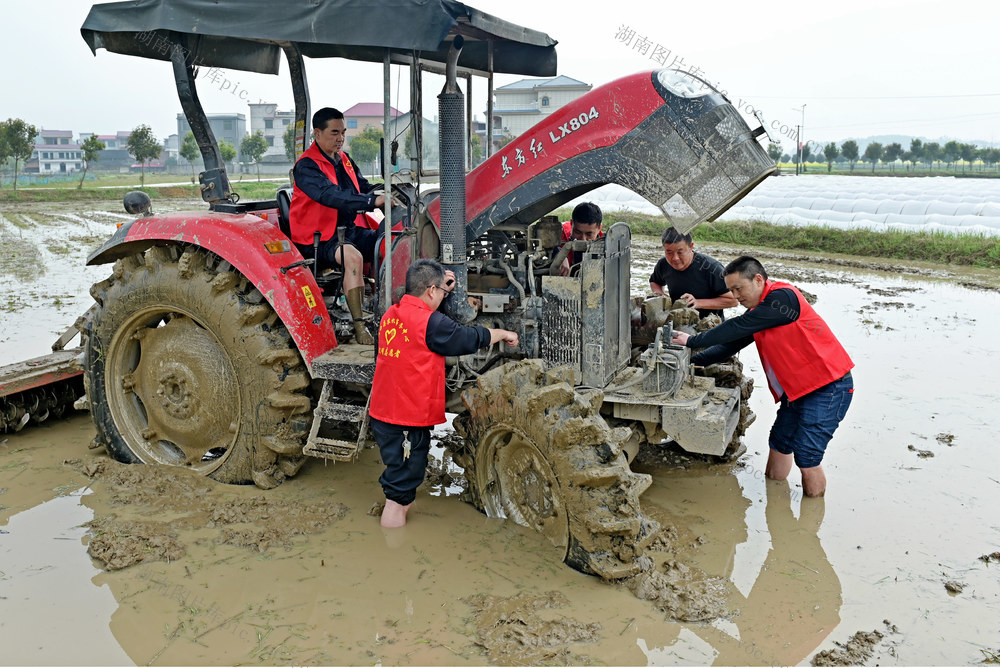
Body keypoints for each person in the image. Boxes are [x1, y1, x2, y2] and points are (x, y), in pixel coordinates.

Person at [671, 256, 854, 497]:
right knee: (779, 442)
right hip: (797, 390)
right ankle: (776, 504)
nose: (736, 297)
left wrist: (692, 340)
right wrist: (690, 361)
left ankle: (809, 521)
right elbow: (729, 345)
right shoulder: (760, 313)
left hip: (828, 387)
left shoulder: (782, 298)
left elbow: (735, 326)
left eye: (739, 288)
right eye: (732, 290)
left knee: (808, 455)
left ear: (758, 280)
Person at [368, 259, 519, 528]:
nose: (442, 297)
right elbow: (469, 338)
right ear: (430, 291)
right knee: (399, 492)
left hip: (384, 413)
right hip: (405, 419)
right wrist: (503, 332)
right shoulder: (430, 323)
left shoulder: (391, 314)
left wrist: (443, 287)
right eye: (440, 292)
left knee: (403, 475)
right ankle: (392, 553)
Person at [290, 107, 386, 345]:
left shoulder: (343, 159)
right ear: (317, 133)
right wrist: (371, 201)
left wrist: (387, 191)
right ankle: (360, 326)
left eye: (342, 132)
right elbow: (329, 195)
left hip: (346, 230)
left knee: (387, 243)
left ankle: (385, 308)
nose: (340, 138)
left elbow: (361, 186)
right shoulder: (306, 167)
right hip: (318, 238)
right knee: (352, 257)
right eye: (334, 133)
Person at [649, 227, 738, 319]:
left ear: (691, 246)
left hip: (708, 325)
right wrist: (661, 296)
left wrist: (698, 302)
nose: (675, 258)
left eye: (680, 252)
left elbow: (733, 300)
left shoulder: (712, 268)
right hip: (678, 321)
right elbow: (655, 282)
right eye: (669, 252)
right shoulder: (663, 264)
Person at [557, 202, 603, 276]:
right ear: (571, 224)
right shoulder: (560, 235)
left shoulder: (607, 244)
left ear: (599, 228)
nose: (583, 239)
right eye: (578, 232)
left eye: (589, 234)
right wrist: (559, 255)